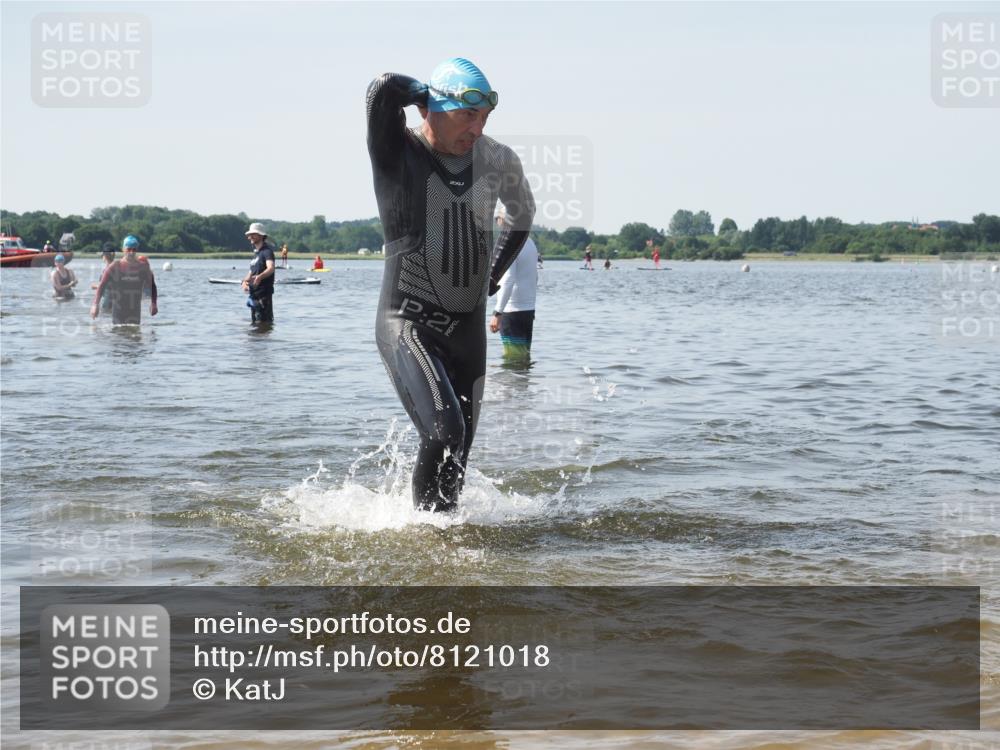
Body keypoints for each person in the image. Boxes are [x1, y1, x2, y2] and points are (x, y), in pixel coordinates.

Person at [367, 57, 535, 512]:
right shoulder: (397, 151)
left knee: (457, 456)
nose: (477, 129)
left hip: (468, 333)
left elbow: (522, 213)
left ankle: (445, 537)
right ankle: (425, 537)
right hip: (408, 322)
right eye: (467, 115)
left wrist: (493, 275)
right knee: (444, 432)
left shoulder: (497, 159)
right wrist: (425, 94)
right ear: (430, 109)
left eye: (485, 117)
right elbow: (383, 90)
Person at [490, 207, 538, 364]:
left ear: (505, 219)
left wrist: (497, 312)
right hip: (527, 310)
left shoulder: (509, 244)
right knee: (523, 359)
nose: (497, 223)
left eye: (497, 218)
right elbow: (535, 278)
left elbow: (508, 279)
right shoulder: (528, 242)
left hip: (512, 311)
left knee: (513, 361)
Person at [90, 236, 158, 324]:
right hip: (118, 314)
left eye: (134, 249)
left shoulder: (143, 267)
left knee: (134, 330)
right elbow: (101, 286)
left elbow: (152, 286)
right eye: (128, 249)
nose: (131, 252)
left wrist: (153, 303)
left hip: (135, 313)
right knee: (119, 331)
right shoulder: (114, 266)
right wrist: (95, 305)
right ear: (123, 249)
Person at [241, 222, 276, 323]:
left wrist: (260, 277)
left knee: (263, 323)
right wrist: (244, 282)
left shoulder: (267, 251)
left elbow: (271, 268)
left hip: (264, 295)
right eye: (249, 235)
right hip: (254, 295)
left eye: (253, 234)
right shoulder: (256, 254)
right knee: (255, 326)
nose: (250, 237)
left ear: (261, 235)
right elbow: (251, 273)